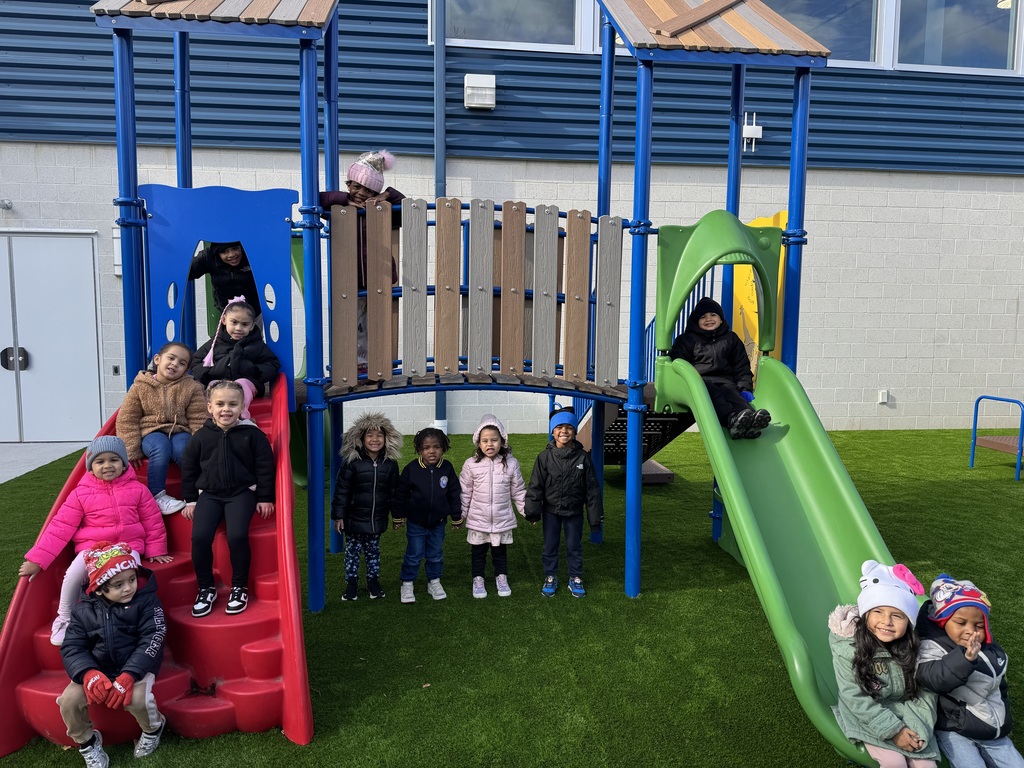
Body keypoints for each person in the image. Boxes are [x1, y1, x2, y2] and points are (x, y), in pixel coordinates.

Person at [18, 436, 172, 646]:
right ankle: (65, 618)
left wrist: (155, 550)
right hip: (92, 548)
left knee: (127, 576)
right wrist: (38, 559)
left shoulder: (138, 490)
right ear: (91, 468)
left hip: (127, 547)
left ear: (124, 463)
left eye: (114, 460)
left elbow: (152, 521)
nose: (107, 465)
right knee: (72, 575)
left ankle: (124, 623)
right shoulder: (80, 494)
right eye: (100, 462)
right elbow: (59, 527)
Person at [58, 541, 167, 767]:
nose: (128, 588)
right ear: (98, 588)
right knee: (69, 701)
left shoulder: (146, 601)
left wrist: (130, 674)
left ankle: (153, 728)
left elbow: (154, 637)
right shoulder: (81, 611)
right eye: (118, 585)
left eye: (132, 579)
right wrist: (88, 673)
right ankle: (87, 742)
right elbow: (72, 647)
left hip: (136, 667)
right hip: (98, 667)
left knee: (138, 700)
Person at [828, 559, 939, 768]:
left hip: (909, 712)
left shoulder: (916, 648)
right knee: (894, 762)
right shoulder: (848, 648)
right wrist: (894, 731)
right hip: (867, 713)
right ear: (865, 614)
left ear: (909, 622)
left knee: (926, 765)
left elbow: (927, 692)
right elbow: (854, 697)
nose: (887, 621)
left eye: (897, 615)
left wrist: (919, 728)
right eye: (877, 611)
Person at [181, 380, 275, 618]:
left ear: (242, 406)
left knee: (237, 536)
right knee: (200, 538)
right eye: (220, 404)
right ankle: (206, 589)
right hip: (210, 495)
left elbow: (265, 467)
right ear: (209, 407)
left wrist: (264, 497)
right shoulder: (201, 436)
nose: (226, 409)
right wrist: (190, 499)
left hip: (240, 494)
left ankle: (239, 587)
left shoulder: (252, 435)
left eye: (233, 404)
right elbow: (189, 469)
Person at [916, 574, 1024, 768]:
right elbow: (933, 678)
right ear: (942, 620)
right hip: (955, 730)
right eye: (961, 623)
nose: (970, 631)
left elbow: (1000, 687)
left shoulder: (990, 648)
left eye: (979, 626)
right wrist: (965, 659)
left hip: (992, 731)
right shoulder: (931, 646)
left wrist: (1002, 719)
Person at [319, 150, 404, 370]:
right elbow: (318, 199)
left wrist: (383, 197)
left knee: (376, 321)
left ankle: (376, 362)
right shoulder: (340, 207)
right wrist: (345, 200)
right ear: (348, 185)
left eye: (368, 189)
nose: (361, 193)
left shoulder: (381, 209)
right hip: (351, 276)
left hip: (378, 274)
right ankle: (357, 364)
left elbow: (405, 205)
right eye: (356, 187)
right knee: (354, 321)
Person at [115, 341, 207, 515]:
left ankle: (199, 488)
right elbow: (127, 418)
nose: (174, 364)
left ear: (186, 369)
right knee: (161, 446)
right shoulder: (140, 386)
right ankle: (157, 495)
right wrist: (131, 448)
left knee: (184, 449)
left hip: (180, 429)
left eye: (182, 363)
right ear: (157, 359)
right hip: (151, 432)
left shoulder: (191, 387)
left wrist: (202, 443)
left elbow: (198, 416)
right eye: (171, 358)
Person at [524, 407, 603, 599]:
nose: (564, 431)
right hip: (551, 512)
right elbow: (536, 486)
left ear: (575, 432)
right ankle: (550, 576)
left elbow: (592, 490)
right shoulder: (544, 457)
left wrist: (595, 519)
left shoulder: (583, 458)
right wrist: (533, 512)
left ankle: (575, 577)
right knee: (550, 546)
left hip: (574, 512)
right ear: (553, 431)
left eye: (569, 427)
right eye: (559, 427)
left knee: (574, 546)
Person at [668, 296, 771, 440]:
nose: (708, 319)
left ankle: (751, 419)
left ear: (721, 319)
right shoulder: (688, 340)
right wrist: (687, 381)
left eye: (713, 315)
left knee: (733, 394)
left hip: (726, 380)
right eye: (703, 317)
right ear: (696, 321)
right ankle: (731, 420)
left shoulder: (731, 339)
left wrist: (744, 387)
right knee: (714, 393)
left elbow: (741, 365)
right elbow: (678, 361)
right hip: (700, 382)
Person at [330, 412, 402, 601]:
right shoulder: (352, 463)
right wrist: (338, 516)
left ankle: (373, 582)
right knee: (352, 553)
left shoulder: (390, 465)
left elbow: (395, 492)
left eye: (379, 435)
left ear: (387, 438)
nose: (375, 439)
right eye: (370, 435)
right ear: (361, 438)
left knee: (373, 552)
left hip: (376, 519)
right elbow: (342, 490)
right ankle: (351, 583)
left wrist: (397, 516)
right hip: (353, 519)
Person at [459, 414, 527, 598]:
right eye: (485, 440)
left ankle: (501, 577)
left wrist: (527, 512)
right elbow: (465, 491)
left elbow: (518, 490)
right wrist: (461, 514)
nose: (490, 444)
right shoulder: (471, 464)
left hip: (501, 518)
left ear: (502, 441)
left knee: (500, 552)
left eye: (494, 440)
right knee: (478, 552)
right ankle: (478, 579)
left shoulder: (511, 464)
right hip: (478, 520)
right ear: (478, 443)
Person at [393, 426, 462, 604]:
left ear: (443, 448)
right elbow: (400, 494)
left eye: (436, 447)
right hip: (416, 523)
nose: (431, 451)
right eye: (426, 448)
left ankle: (434, 581)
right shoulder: (411, 469)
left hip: (438, 523)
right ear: (419, 450)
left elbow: (454, 493)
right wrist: (398, 517)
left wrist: (456, 517)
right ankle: (407, 583)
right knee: (414, 554)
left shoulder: (447, 468)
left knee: (436, 554)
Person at [190, 297, 280, 418]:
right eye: (234, 322)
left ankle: (241, 417)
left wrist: (256, 371)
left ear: (252, 326)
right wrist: (208, 374)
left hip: (248, 382)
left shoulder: (257, 345)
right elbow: (196, 361)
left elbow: (272, 363)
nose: (238, 328)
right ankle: (210, 417)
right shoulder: (214, 344)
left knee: (242, 384)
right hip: (221, 379)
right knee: (213, 384)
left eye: (245, 324)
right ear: (224, 320)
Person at [188, 241, 261, 321]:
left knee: (253, 331)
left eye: (235, 248)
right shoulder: (209, 257)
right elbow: (186, 272)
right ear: (217, 254)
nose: (231, 255)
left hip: (253, 309)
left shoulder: (250, 253)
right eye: (224, 251)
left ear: (241, 248)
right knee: (231, 330)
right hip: (225, 309)